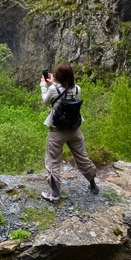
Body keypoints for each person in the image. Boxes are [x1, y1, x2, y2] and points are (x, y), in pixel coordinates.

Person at [39, 62, 99, 201]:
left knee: (52, 161)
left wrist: (44, 85)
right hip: (74, 129)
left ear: (58, 75)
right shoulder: (77, 89)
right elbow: (66, 91)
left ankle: (54, 194)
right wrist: (55, 83)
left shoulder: (53, 89)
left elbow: (46, 101)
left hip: (57, 131)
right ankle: (93, 185)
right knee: (83, 157)